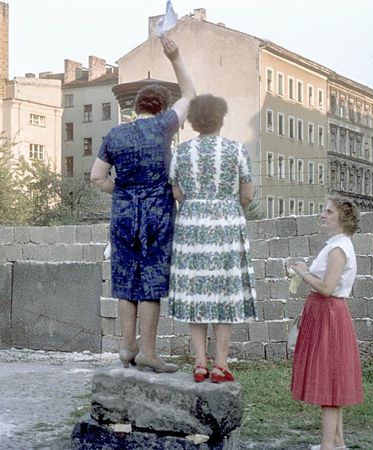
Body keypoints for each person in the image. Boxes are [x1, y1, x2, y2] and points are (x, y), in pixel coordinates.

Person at [90, 36, 195, 373]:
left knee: (125, 279)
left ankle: (126, 347)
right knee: (150, 280)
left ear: (135, 107)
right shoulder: (164, 127)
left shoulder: (115, 135)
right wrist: (175, 56)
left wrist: (121, 191)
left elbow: (96, 177)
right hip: (157, 213)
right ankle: (148, 352)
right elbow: (191, 95)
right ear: (162, 107)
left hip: (122, 213)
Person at [168, 94, 257, 383]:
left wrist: (196, 203)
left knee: (196, 292)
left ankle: (199, 363)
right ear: (221, 118)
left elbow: (176, 192)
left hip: (191, 223)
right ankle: (220, 364)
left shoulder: (180, 152)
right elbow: (247, 194)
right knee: (223, 292)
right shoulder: (236, 149)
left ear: (193, 121)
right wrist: (227, 207)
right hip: (226, 224)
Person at [290, 196, 363, 450]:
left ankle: (327, 447)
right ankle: (338, 442)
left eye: (329, 212)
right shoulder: (336, 244)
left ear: (342, 219)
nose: (323, 215)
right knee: (333, 381)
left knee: (330, 381)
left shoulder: (338, 249)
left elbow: (327, 287)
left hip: (329, 314)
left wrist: (303, 272)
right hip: (324, 313)